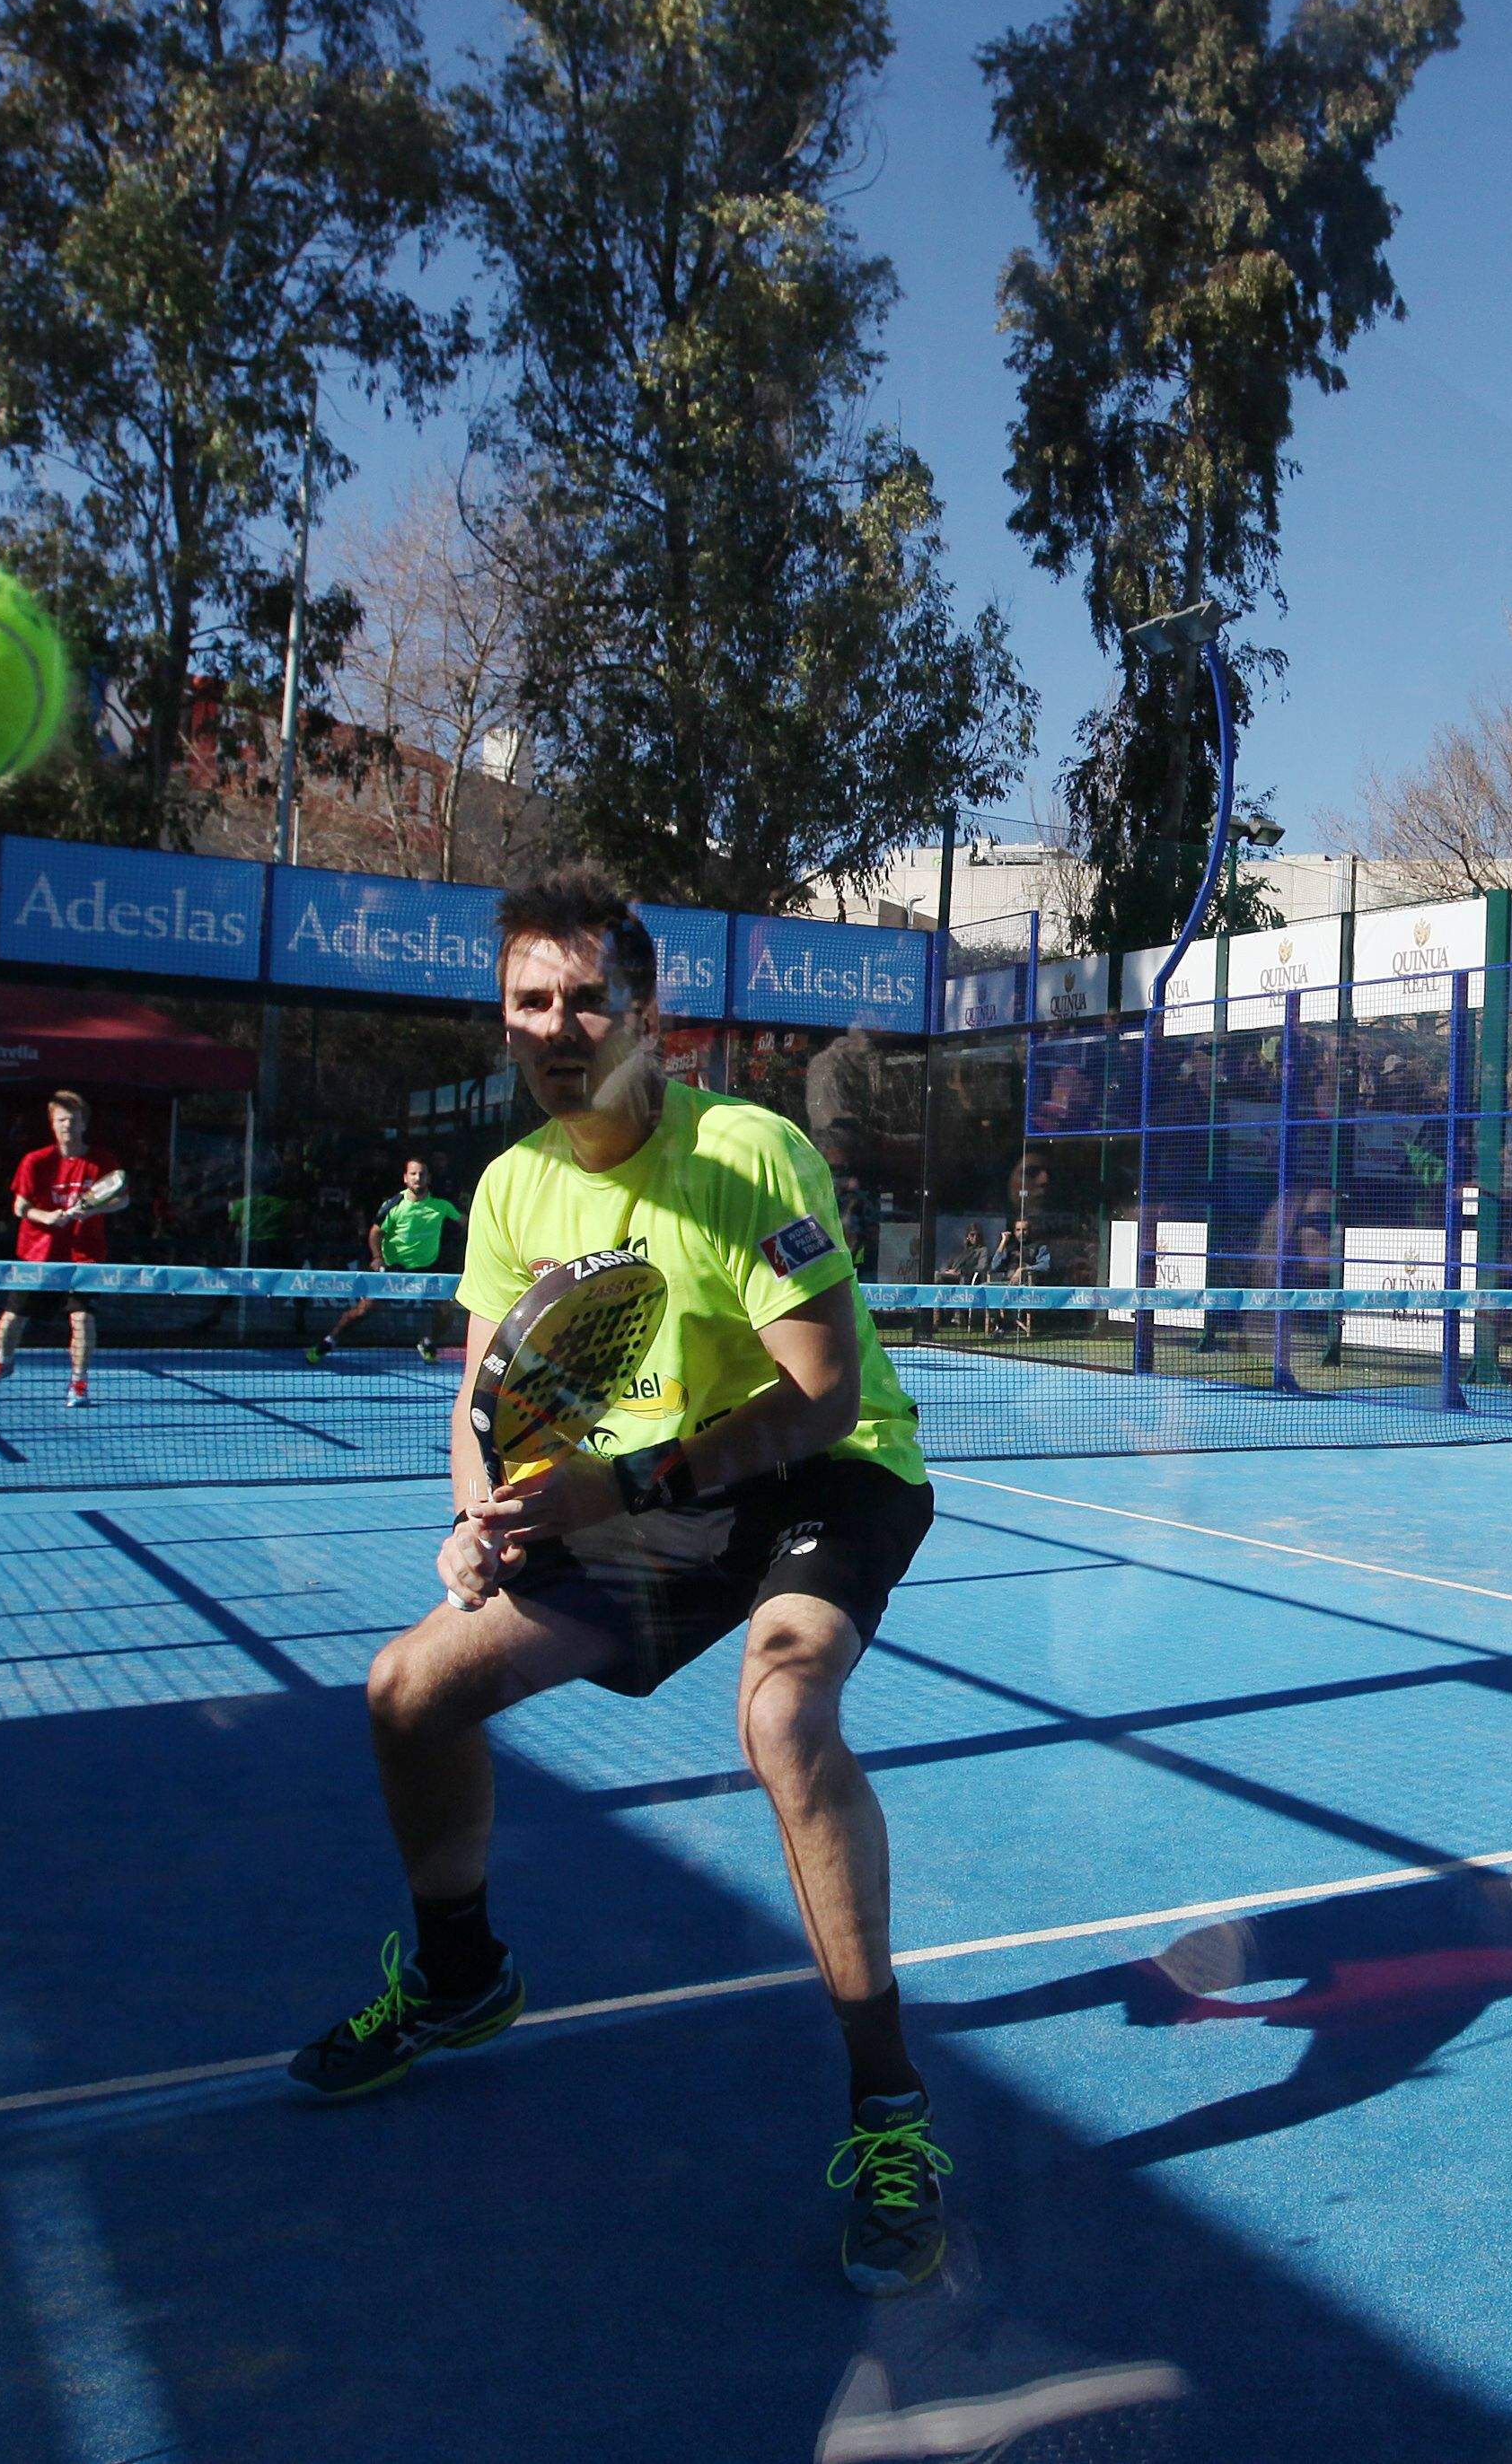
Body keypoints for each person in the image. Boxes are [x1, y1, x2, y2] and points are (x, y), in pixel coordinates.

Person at [286, 864, 953, 2298]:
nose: (559, 1023)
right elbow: (486, 1398)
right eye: (532, 1000)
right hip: (649, 1493)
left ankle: (889, 2107)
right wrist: (479, 1517)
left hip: (821, 1475)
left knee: (782, 1713)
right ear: (504, 1019)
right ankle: (460, 1973)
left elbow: (822, 1397)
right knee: (407, 1688)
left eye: (589, 996)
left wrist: (620, 1488)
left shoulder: (746, 1151)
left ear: (647, 1011)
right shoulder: (510, 1186)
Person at [0, 1089, 125, 1407]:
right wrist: (47, 1216)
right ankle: (3, 1362)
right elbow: (20, 1207)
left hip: (84, 1257)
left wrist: (95, 1210)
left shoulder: (102, 1161)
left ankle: (79, 1383)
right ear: (52, 1124)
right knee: (12, 1319)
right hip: (38, 1256)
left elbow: (121, 1198)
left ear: (83, 1123)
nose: (66, 1127)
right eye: (60, 1121)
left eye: (72, 1121)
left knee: (82, 1320)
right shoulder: (35, 1161)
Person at [313, 1157, 465, 1364]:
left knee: (446, 1311)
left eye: (422, 1174)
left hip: (426, 1269)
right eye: (413, 1174)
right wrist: (378, 1258)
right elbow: (375, 1233)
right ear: (405, 1178)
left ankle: (428, 1342)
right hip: (394, 1269)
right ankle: (329, 1340)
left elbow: (467, 1223)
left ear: (428, 1178)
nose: (417, 1178)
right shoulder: (394, 1205)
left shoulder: (442, 1205)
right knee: (363, 1310)